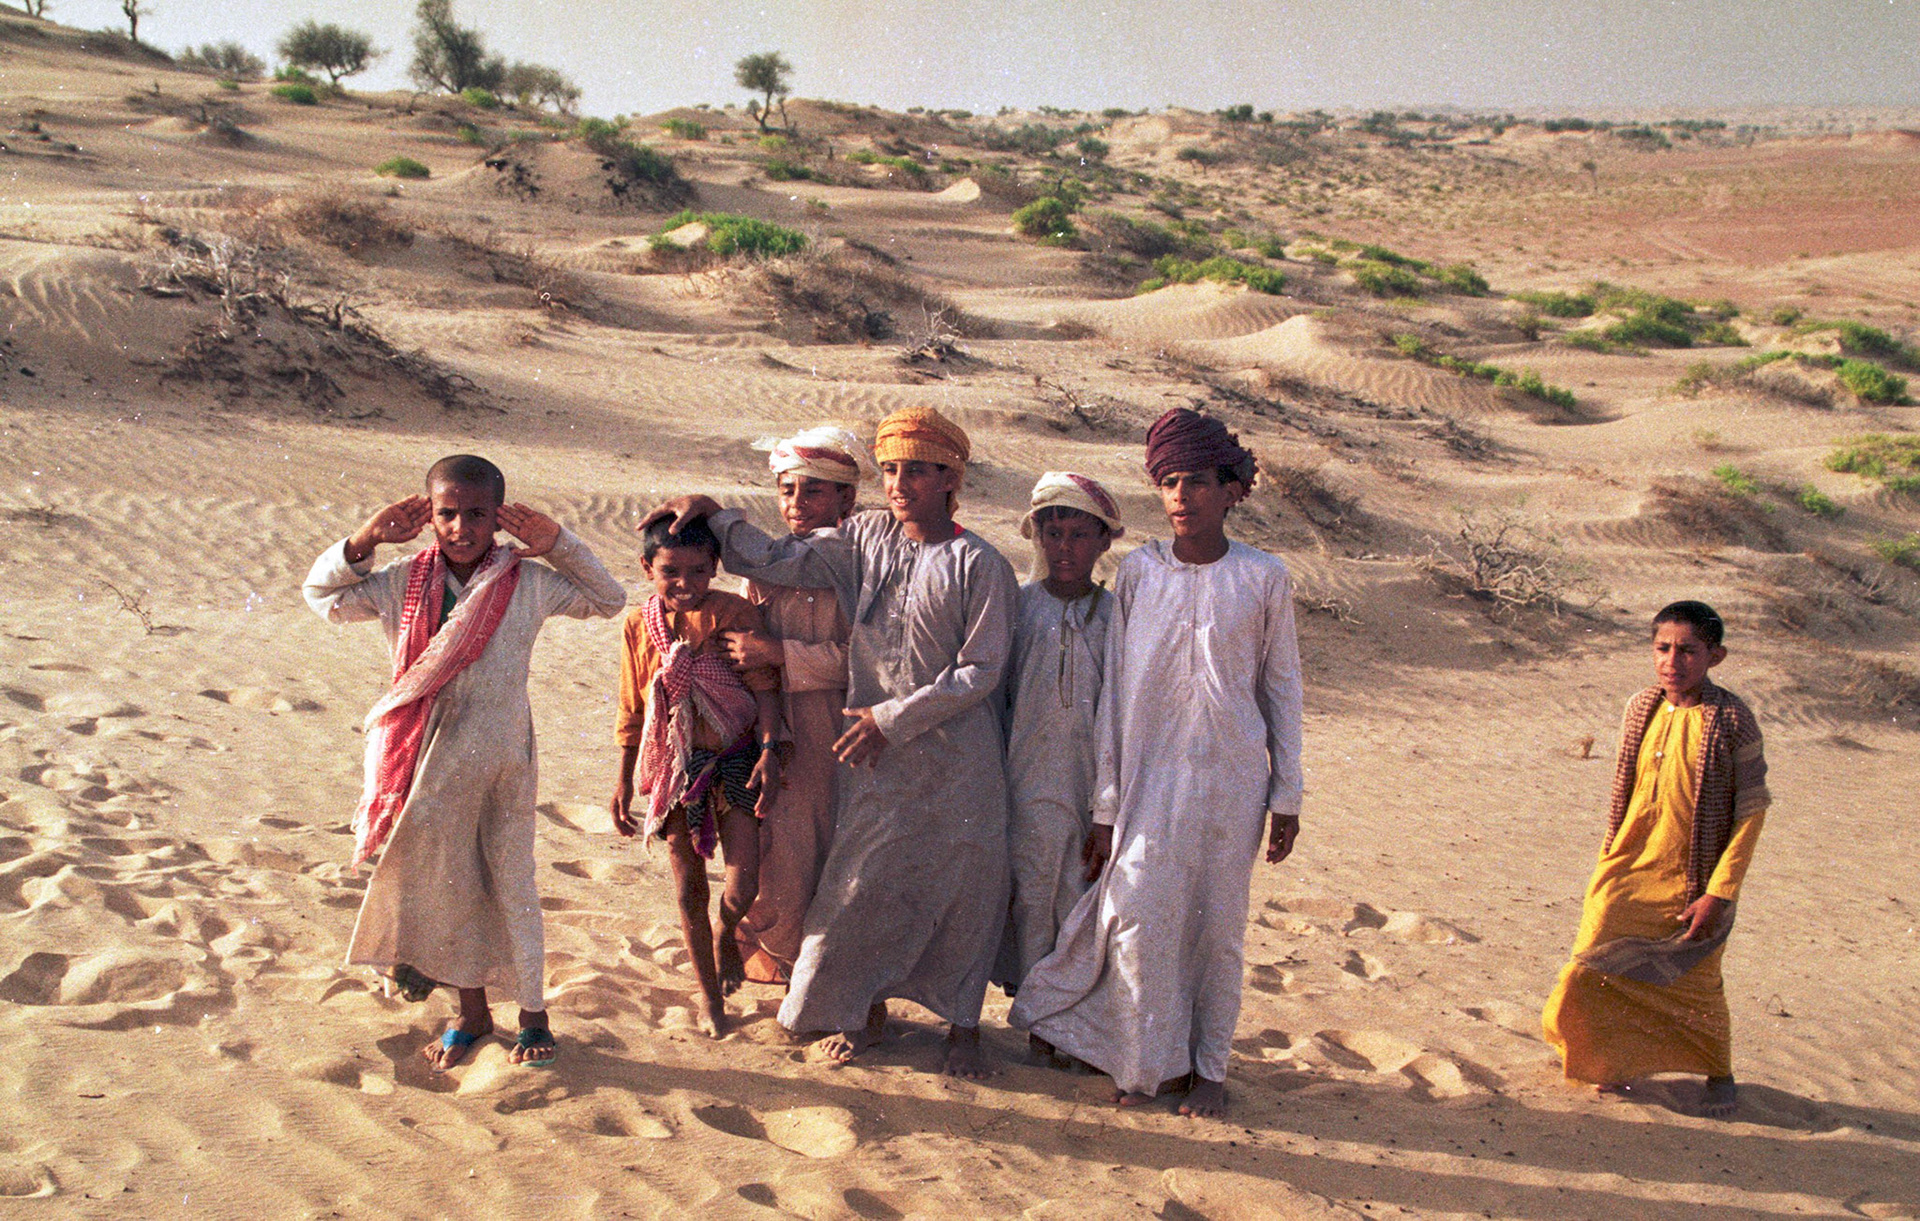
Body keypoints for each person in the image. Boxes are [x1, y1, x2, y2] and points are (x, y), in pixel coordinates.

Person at [645, 406, 1018, 1078]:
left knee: (964, 884)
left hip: (956, 758)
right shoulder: (869, 537)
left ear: (951, 479)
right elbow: (780, 555)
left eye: (917, 471)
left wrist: (891, 718)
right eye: (893, 470)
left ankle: (963, 1026)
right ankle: (842, 1009)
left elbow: (980, 671)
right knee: (862, 878)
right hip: (872, 750)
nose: (900, 483)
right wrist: (718, 515)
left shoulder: (980, 562)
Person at [1011, 408, 1304, 1119]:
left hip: (1232, 783)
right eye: (1169, 481)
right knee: (1139, 915)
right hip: (1146, 783)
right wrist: (1107, 807)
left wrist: (1287, 793)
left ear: (1230, 490)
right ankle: (1145, 1062)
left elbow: (1282, 687)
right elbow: (1116, 697)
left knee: (1215, 926)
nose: (1181, 496)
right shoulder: (1140, 573)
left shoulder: (1264, 577)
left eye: (1197, 481)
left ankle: (1207, 1069)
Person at [303, 454, 626, 1071]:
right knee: (446, 881)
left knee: (511, 878)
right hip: (427, 757)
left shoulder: (527, 582)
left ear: (499, 517)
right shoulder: (400, 580)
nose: (460, 527)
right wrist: (366, 538)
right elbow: (321, 596)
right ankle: (472, 1013)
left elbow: (608, 598)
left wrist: (557, 543)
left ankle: (534, 1015)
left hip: (502, 754)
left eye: (476, 514)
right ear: (427, 516)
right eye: (446, 514)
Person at [1542, 600, 1770, 1119]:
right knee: (1591, 962)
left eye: (1688, 650)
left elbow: (1751, 812)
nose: (1673, 660)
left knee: (1694, 978)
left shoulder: (1733, 719)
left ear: (1716, 656)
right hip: (1627, 865)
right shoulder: (1642, 706)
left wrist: (1720, 890)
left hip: (1692, 879)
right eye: (1663, 648)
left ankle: (1719, 1072)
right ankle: (1610, 1061)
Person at [610, 514, 782, 1037]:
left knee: (743, 882)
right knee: (687, 886)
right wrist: (621, 779)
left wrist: (771, 750)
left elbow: (764, 684)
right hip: (674, 764)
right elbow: (633, 704)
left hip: (735, 756)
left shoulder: (733, 613)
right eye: (670, 572)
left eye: (698, 571)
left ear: (714, 569)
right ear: (647, 569)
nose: (684, 584)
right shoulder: (639, 625)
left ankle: (725, 931)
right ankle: (709, 998)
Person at [990, 472, 1123, 1067]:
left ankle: (1070, 1018)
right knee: (1029, 893)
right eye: (1053, 532)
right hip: (1022, 780)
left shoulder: (1117, 616)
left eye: (1078, 534)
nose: (1064, 546)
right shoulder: (1016, 607)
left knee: (1080, 895)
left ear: (1102, 544)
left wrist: (1109, 805)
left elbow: (1124, 711)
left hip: (1092, 787)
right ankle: (1040, 1017)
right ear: (1037, 537)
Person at [723, 428, 863, 986]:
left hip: (842, 727)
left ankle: (828, 977)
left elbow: (874, 660)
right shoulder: (768, 567)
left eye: (814, 492)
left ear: (846, 500)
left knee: (832, 847)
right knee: (778, 844)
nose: (796, 505)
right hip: (778, 730)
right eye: (786, 491)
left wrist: (783, 653)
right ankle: (777, 966)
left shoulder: (860, 563)